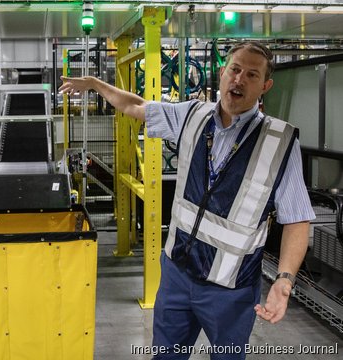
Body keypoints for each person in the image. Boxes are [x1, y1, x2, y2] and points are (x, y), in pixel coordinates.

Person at [59, 41, 315, 359]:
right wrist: (96, 84)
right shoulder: (192, 115)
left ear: (265, 86)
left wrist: (284, 280)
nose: (239, 79)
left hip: (231, 288)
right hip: (177, 275)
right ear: (222, 73)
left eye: (252, 74)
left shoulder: (279, 142)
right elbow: (137, 107)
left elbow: (297, 219)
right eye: (235, 70)